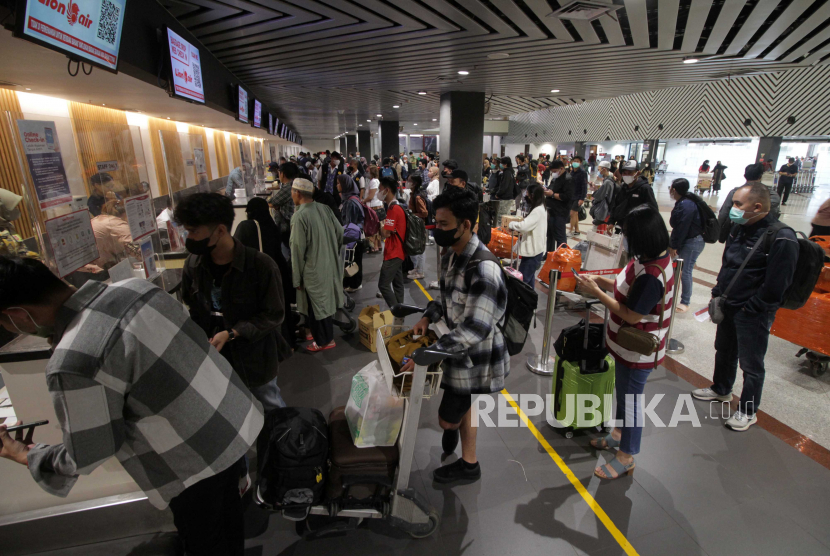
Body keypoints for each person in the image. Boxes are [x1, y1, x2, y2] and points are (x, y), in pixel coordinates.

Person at [0, 258, 262, 555]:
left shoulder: (73, 359)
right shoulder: (136, 289)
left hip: (190, 461)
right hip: (227, 423)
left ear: (19, 314)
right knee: (230, 522)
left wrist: (25, 454)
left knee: (206, 541)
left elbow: (90, 450)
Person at [402, 187, 508, 484]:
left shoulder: (484, 270)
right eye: (436, 223)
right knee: (462, 405)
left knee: (447, 418)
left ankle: (461, 451)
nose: (437, 230)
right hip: (456, 350)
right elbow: (446, 298)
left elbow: (475, 328)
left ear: (465, 225)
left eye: (444, 225)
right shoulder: (453, 254)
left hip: (474, 360)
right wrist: (428, 315)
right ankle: (467, 458)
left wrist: (427, 355)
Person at [575, 206, 673, 480]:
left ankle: (626, 455)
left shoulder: (653, 276)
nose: (624, 238)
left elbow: (631, 313)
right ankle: (618, 433)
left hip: (636, 350)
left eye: (628, 234)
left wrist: (595, 292)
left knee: (631, 401)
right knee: (624, 394)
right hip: (623, 345)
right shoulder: (645, 259)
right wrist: (600, 281)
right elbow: (622, 286)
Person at [692, 183, 799, 431]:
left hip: (753, 313)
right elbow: (729, 264)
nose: (733, 208)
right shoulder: (740, 229)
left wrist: (752, 308)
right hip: (729, 305)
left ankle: (748, 410)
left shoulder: (781, 237)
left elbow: (777, 285)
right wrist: (718, 293)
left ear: (758, 206)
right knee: (724, 350)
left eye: (738, 204)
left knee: (751, 364)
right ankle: (721, 389)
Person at [176, 193, 287, 412]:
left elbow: (273, 314)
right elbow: (192, 306)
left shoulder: (260, 266)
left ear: (220, 230)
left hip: (254, 359)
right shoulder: (194, 264)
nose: (188, 238)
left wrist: (233, 333)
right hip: (213, 357)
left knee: (271, 408)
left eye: (193, 231)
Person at [290, 178, 345, 352]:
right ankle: (325, 337)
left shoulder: (300, 216)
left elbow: (297, 250)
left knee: (316, 307)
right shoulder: (324, 208)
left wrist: (296, 278)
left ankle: (324, 341)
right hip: (329, 264)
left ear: (297, 193)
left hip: (312, 270)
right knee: (325, 304)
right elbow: (340, 232)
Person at [234, 196, 296, 349]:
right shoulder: (271, 226)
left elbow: (236, 250)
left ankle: (271, 346)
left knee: (264, 312)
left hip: (259, 276)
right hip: (279, 271)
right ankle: (288, 342)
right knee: (280, 309)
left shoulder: (246, 227)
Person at [718, 163, 780, 244]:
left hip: (736, 231)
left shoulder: (736, 192)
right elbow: (774, 213)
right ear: (761, 176)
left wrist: (719, 230)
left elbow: (724, 213)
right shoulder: (771, 194)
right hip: (763, 234)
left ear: (745, 175)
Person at [668, 179, 704, 313]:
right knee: (679, 269)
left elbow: (682, 227)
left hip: (692, 242)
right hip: (687, 240)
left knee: (685, 271)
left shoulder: (687, 205)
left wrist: (674, 245)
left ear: (674, 190)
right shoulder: (683, 202)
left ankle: (685, 301)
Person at [376, 176, 407, 308]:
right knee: (398, 284)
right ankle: (400, 310)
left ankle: (397, 311)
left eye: (380, 189)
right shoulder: (396, 206)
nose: (378, 191)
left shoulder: (393, 209)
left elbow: (385, 233)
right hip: (398, 251)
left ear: (387, 190)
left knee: (383, 285)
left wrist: (380, 226)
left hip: (393, 253)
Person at [509, 183, 547, 286]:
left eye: (528, 194)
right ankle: (530, 300)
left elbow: (524, 226)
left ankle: (521, 301)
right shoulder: (541, 207)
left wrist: (511, 224)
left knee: (522, 281)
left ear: (533, 195)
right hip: (535, 251)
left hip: (533, 253)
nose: (526, 196)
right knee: (529, 281)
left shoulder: (537, 211)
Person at [607, 160, 658, 233]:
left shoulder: (644, 189)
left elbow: (653, 210)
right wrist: (611, 221)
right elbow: (616, 206)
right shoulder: (622, 188)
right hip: (621, 228)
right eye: (624, 173)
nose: (627, 175)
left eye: (630, 173)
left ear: (638, 173)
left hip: (637, 230)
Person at [338, 174, 365, 291]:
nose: (337, 185)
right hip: (359, 236)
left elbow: (349, 224)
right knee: (356, 260)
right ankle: (355, 283)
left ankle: (354, 284)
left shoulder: (350, 202)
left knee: (352, 261)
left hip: (354, 238)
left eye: (339, 183)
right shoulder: (354, 198)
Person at [90, 198, 134, 268]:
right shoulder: (117, 223)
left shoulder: (99, 219)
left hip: (90, 266)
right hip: (101, 269)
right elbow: (137, 249)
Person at [267, 161, 298, 248]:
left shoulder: (288, 188)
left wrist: (275, 205)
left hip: (287, 225)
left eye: (279, 173)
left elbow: (271, 203)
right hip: (291, 224)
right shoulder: (292, 184)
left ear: (283, 174)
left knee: (286, 249)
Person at [544, 159, 573, 251]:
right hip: (551, 210)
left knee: (560, 236)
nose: (553, 173)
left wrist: (552, 194)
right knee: (550, 234)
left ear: (561, 168)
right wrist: (545, 190)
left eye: (555, 171)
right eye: (552, 172)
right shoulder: (555, 178)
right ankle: (549, 254)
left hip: (560, 211)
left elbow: (567, 197)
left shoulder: (568, 179)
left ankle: (561, 256)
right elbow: (551, 188)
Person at [406, 174, 429, 280]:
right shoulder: (413, 194)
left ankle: (420, 271)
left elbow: (424, 213)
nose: (407, 182)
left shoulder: (418, 197)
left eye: (409, 180)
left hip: (419, 226)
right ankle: (417, 268)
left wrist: (411, 215)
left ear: (414, 183)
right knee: (415, 247)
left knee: (419, 249)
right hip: (415, 225)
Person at [590, 161, 616, 228]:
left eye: (599, 170)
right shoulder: (609, 180)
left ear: (604, 169)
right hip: (606, 210)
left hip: (603, 210)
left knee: (600, 231)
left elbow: (599, 196)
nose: (598, 172)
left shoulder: (607, 182)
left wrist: (595, 189)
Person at [364, 166, 384, 253]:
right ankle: (378, 246)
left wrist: (362, 201)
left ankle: (374, 247)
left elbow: (371, 196)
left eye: (368, 171)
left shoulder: (373, 182)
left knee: (373, 228)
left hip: (374, 207)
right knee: (377, 228)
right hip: (377, 207)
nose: (366, 173)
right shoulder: (376, 181)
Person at [491, 156, 516, 221]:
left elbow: (504, 186)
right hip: (508, 197)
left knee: (501, 217)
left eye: (502, 163)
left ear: (505, 164)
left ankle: (501, 230)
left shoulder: (507, 173)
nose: (500, 165)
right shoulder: (510, 172)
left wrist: (498, 194)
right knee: (506, 216)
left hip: (505, 197)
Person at [569, 155, 588, 237]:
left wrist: (582, 198)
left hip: (578, 196)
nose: (575, 163)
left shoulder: (583, 173)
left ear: (580, 163)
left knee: (572, 213)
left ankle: (570, 231)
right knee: (575, 214)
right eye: (574, 161)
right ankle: (577, 230)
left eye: (577, 161)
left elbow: (584, 186)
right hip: (571, 195)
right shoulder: (572, 172)